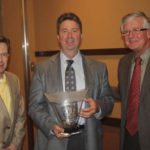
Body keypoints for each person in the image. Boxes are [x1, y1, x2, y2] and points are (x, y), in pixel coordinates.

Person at [28, 12, 114, 150]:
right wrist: (50, 126)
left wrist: (97, 106)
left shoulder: (99, 68)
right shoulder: (42, 69)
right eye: (64, 31)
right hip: (54, 139)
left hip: (89, 138)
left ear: (81, 36)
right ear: (58, 37)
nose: (69, 36)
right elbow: (34, 106)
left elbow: (109, 100)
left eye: (74, 31)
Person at [113, 11, 150, 150]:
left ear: (149, 32)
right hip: (128, 136)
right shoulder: (124, 62)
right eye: (126, 32)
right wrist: (98, 87)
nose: (131, 36)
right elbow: (123, 92)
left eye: (136, 30)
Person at [0, 36, 26, 150]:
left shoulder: (14, 80)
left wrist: (15, 144)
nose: (0, 59)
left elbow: (21, 116)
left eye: (4, 54)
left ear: (8, 56)